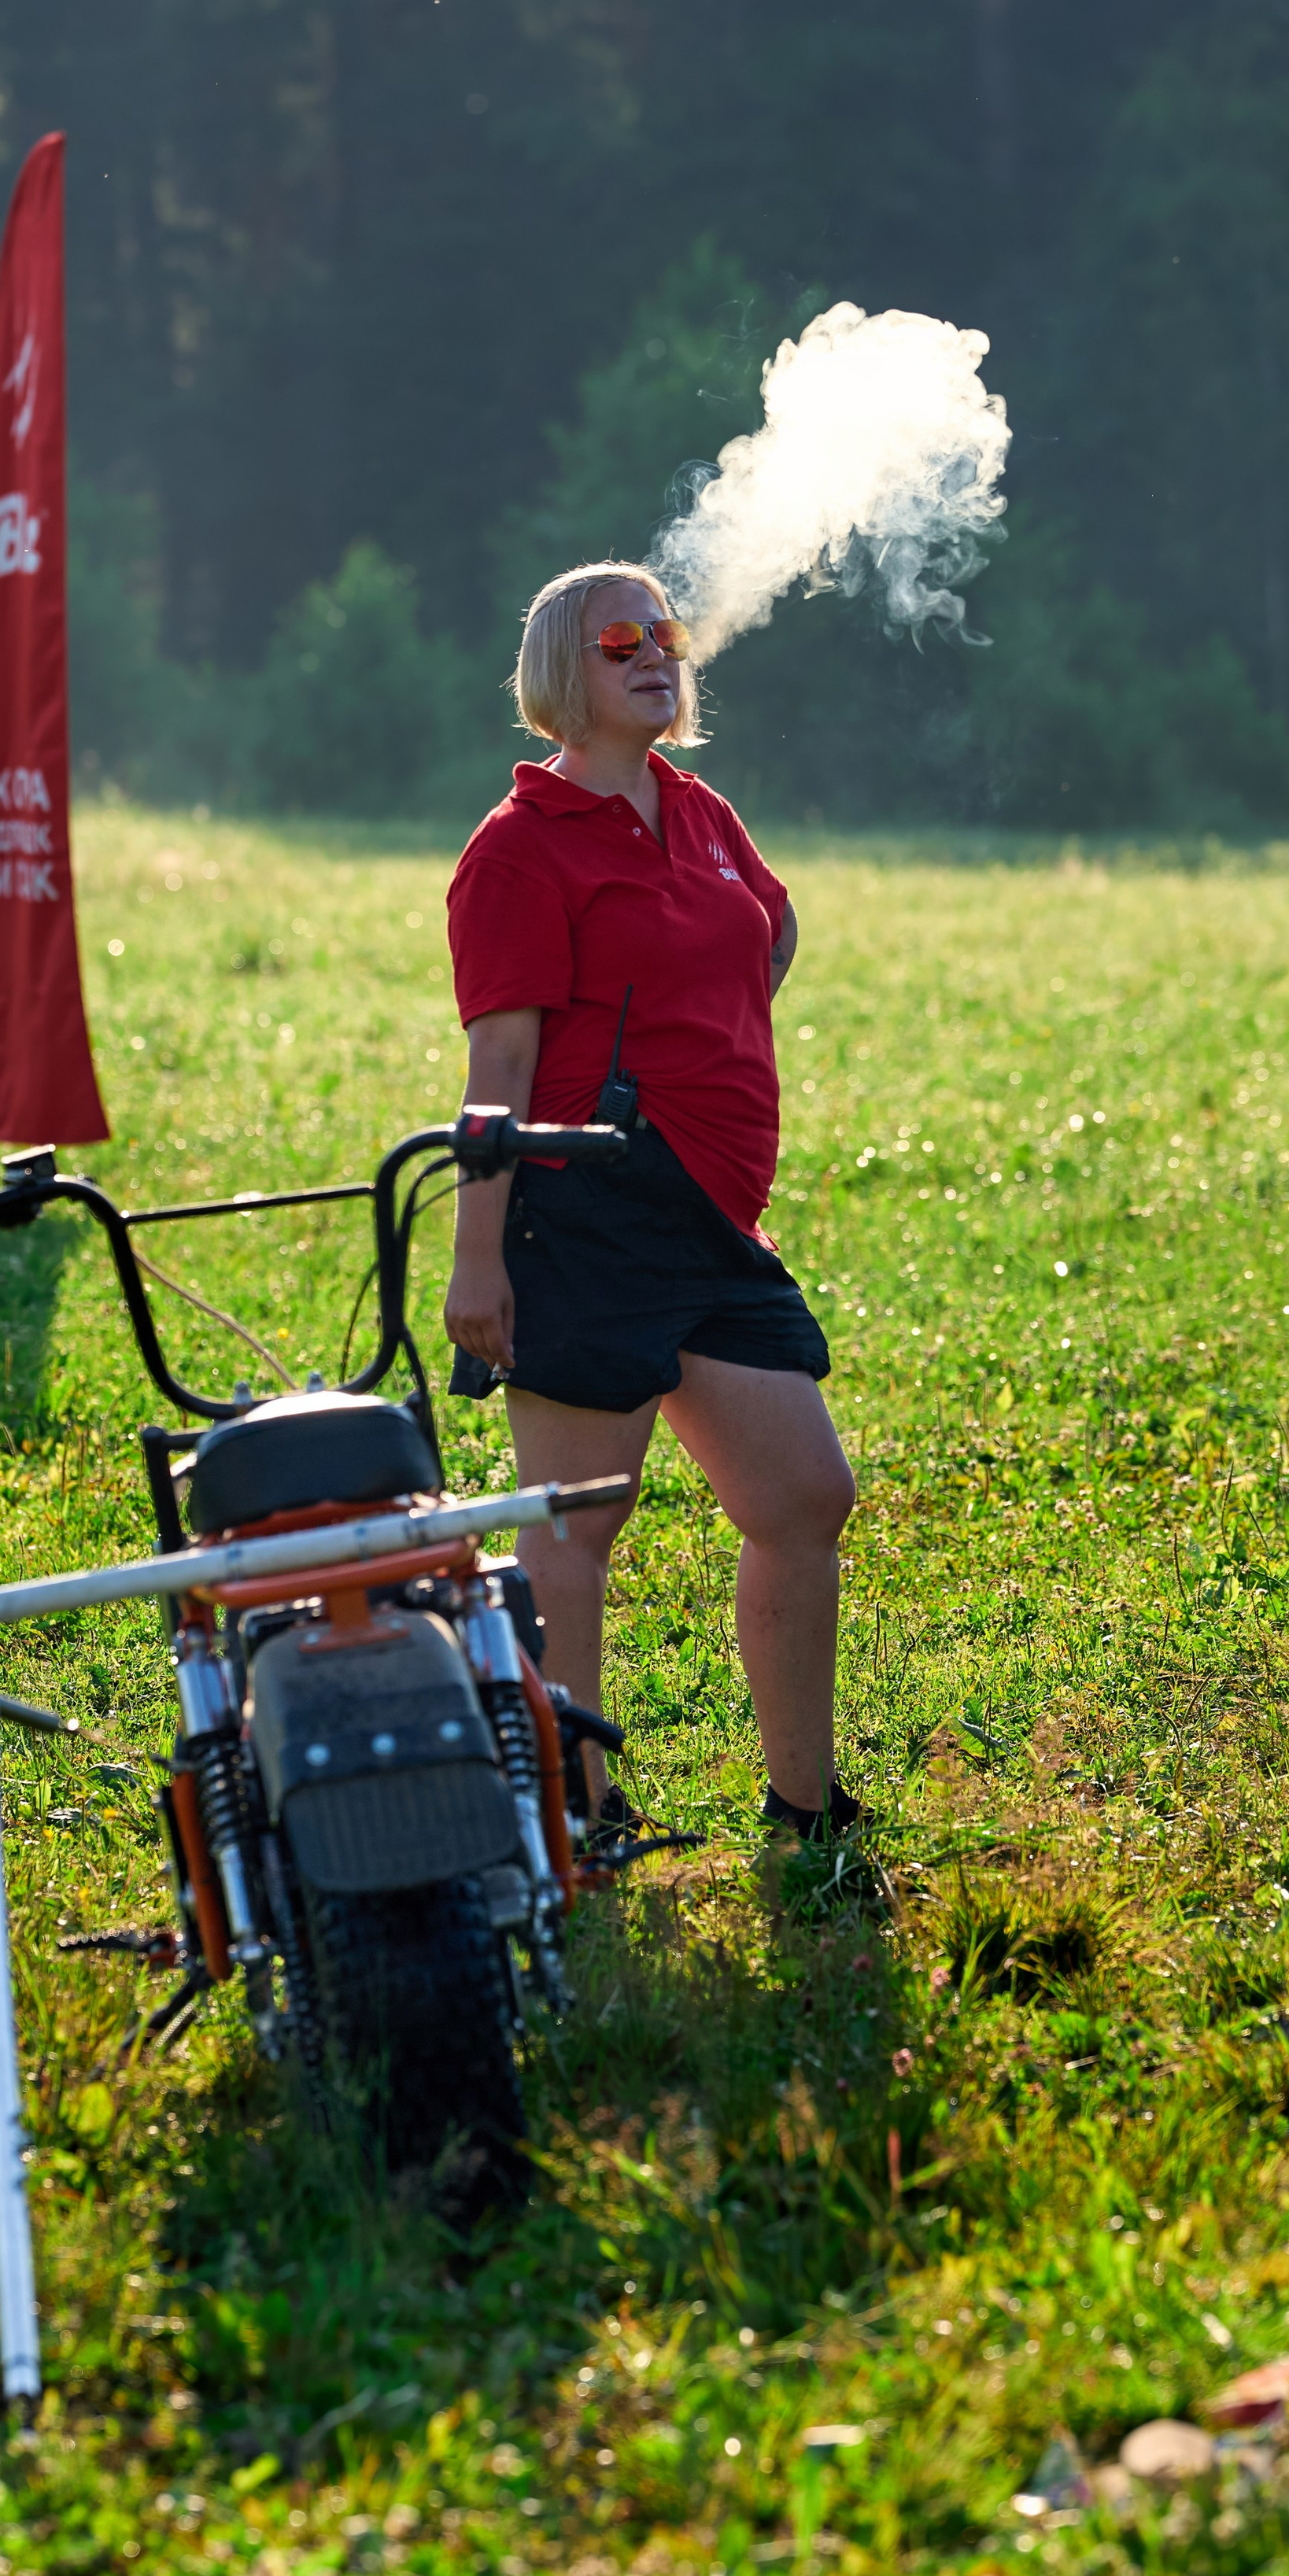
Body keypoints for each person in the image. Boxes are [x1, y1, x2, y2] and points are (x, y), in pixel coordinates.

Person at [442, 559, 859, 1838]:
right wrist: (478, 1260)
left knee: (803, 1497)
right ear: (564, 672)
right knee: (580, 1523)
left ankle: (804, 1810)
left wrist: (704, 1041)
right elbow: (498, 1070)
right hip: (584, 1207)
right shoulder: (518, 852)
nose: (653, 653)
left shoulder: (701, 812)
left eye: (665, 634)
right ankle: (576, 1811)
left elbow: (770, 934)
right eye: (620, 637)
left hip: (710, 1219)